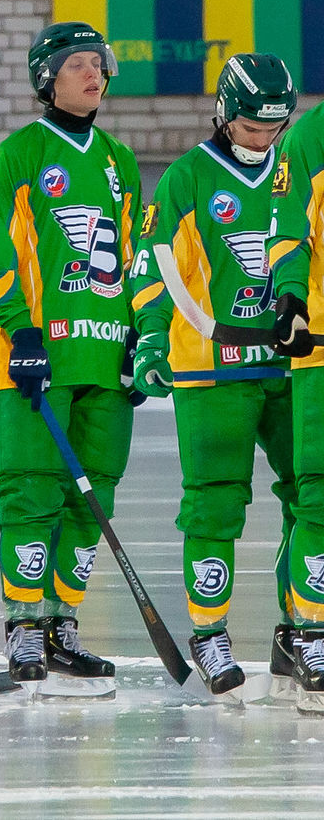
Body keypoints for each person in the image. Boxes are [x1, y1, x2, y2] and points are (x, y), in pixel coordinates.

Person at [0, 21, 141, 688]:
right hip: (35, 360)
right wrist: (21, 331)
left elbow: (130, 259)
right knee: (31, 493)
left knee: (92, 497)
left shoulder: (119, 160)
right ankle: (23, 625)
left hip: (104, 359)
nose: (91, 74)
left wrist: (138, 333)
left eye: (97, 63)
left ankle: (62, 622)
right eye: (76, 64)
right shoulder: (17, 156)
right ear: (47, 77)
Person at [130, 52, 298, 697]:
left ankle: (301, 628)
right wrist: (150, 342)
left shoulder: (293, 173)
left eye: (274, 129)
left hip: (290, 365)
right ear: (226, 113)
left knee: (311, 494)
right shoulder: (186, 178)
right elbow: (151, 267)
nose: (263, 140)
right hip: (213, 367)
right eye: (253, 127)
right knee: (215, 503)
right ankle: (210, 631)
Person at [267, 59, 324, 709]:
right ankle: (310, 631)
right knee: (319, 495)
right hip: (321, 351)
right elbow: (289, 231)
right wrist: (290, 300)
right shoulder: (309, 138)